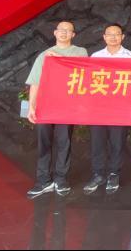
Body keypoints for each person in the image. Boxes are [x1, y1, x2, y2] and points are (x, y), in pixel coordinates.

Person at [26, 20, 88, 198]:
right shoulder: (43, 55)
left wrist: (58, 60)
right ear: (55, 32)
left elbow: (83, 71)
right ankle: (43, 180)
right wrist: (31, 106)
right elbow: (35, 83)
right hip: (46, 106)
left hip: (67, 106)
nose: (64, 32)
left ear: (73, 35)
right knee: (44, 143)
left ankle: (61, 179)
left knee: (64, 142)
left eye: (68, 30)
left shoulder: (80, 51)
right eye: (61, 30)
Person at [86, 23, 131, 194]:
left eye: (117, 34)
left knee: (117, 142)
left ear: (122, 37)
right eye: (110, 34)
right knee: (97, 142)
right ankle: (98, 174)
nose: (113, 37)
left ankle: (114, 173)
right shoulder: (96, 56)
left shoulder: (130, 56)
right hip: (99, 108)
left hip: (120, 108)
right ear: (104, 37)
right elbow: (89, 81)